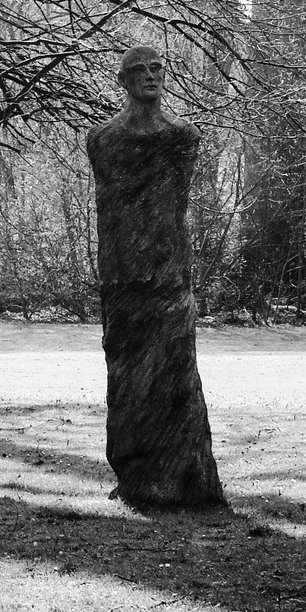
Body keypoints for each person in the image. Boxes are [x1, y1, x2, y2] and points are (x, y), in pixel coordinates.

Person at [86, 46, 224, 507]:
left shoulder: (182, 136)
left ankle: (183, 478)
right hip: (121, 275)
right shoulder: (104, 138)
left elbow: (171, 207)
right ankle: (135, 475)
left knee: (173, 375)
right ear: (122, 80)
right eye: (139, 71)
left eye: (156, 68)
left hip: (168, 274)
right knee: (127, 374)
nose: (150, 76)